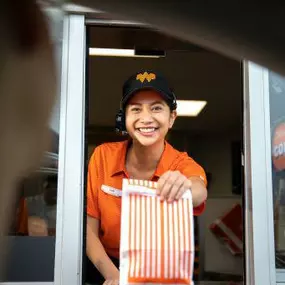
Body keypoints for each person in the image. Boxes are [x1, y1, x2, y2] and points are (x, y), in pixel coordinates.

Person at [86, 70, 208, 285]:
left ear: (172, 118)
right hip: (106, 266)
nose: (146, 118)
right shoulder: (103, 156)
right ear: (124, 119)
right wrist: (114, 276)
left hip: (160, 271)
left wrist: (185, 186)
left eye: (156, 108)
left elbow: (199, 191)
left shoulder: (181, 163)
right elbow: (88, 230)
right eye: (135, 109)